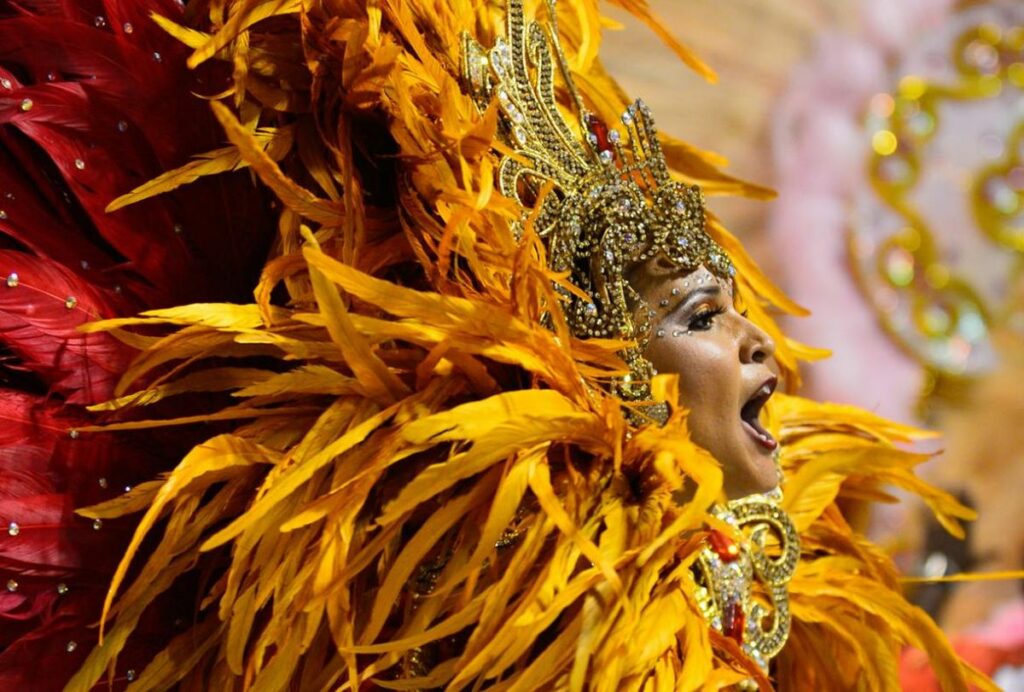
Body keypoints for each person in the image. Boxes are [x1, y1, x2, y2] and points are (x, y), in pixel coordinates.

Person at [0, 0, 993, 689]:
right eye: (699, 319)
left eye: (725, 312)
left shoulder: (788, 591)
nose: (758, 347)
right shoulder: (519, 595)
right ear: (612, 386)